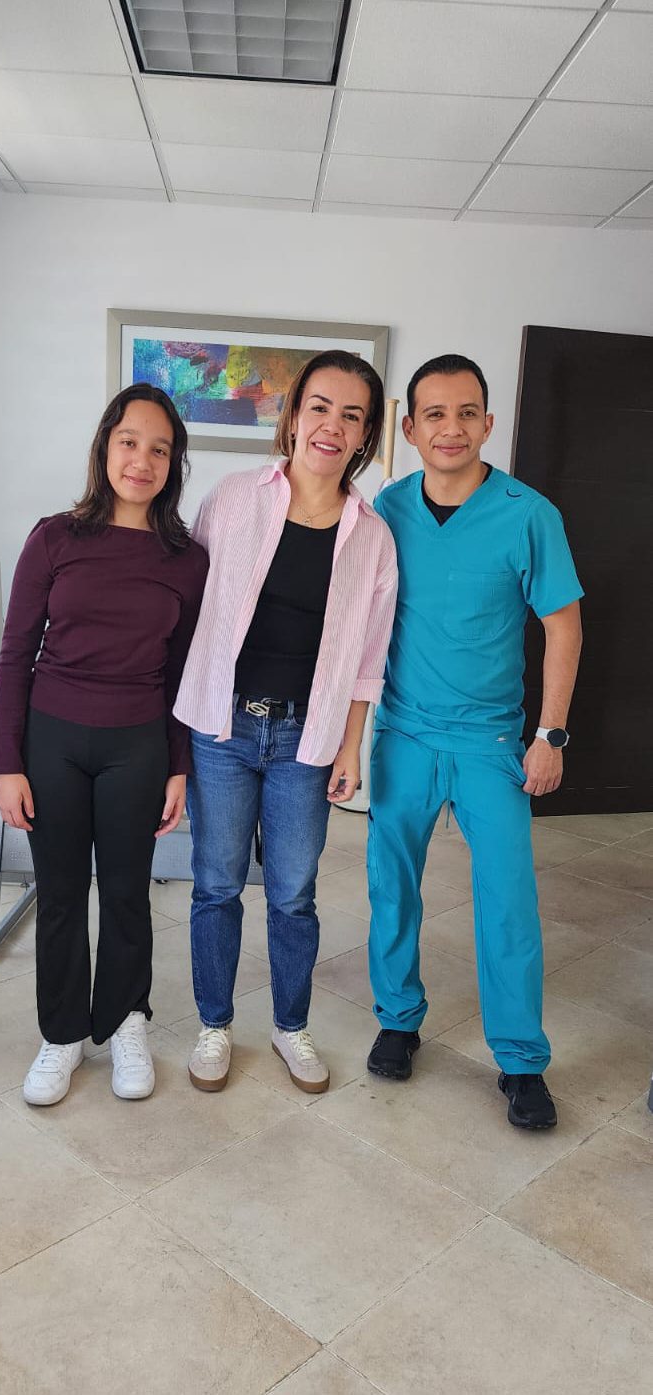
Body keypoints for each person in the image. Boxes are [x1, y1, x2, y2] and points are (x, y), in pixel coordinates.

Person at [367, 353, 583, 1129]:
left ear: (488, 423)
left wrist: (548, 734)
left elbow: (562, 625)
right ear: (409, 427)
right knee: (391, 886)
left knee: (507, 902)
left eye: (466, 412)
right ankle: (398, 1018)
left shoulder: (528, 514)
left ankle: (520, 1061)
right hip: (402, 733)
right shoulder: (386, 510)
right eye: (434, 413)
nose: (450, 428)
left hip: (490, 741)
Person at [174, 349, 397, 1095]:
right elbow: (188, 608)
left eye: (352, 415)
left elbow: (368, 659)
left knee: (294, 893)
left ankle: (289, 1025)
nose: (333, 425)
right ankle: (214, 1023)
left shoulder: (372, 537)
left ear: (364, 436)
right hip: (222, 730)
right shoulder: (234, 498)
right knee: (215, 883)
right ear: (294, 414)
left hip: (308, 736)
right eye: (320, 407)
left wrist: (350, 747)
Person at [0, 384, 207, 1107]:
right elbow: (15, 654)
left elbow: (181, 672)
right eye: (128, 442)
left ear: (173, 464)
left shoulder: (186, 560)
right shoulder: (54, 537)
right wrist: (6, 761)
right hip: (51, 741)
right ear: (105, 447)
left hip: (136, 746)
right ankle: (61, 1033)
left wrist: (178, 766)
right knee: (59, 894)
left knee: (125, 894)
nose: (141, 460)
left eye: (159, 449)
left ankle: (123, 1021)